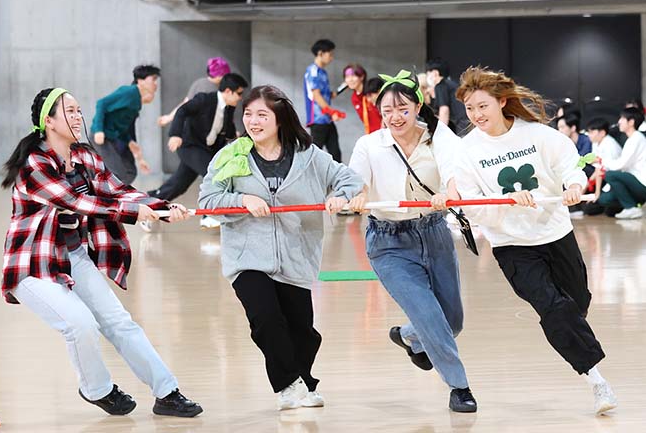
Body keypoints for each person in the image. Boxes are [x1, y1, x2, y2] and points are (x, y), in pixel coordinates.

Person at [1, 88, 203, 417]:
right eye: (69, 111)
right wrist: (133, 214)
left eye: (79, 110)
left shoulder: (85, 156)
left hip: (73, 255)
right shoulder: (33, 163)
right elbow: (75, 201)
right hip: (32, 263)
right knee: (80, 324)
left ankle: (167, 393)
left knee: (119, 323)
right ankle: (98, 390)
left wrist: (161, 208)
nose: (78, 117)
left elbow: (117, 190)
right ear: (49, 121)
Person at [454, 66, 617, 415]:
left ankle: (572, 332)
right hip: (512, 245)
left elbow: (569, 165)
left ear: (501, 101)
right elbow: (472, 204)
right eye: (469, 108)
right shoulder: (466, 151)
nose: (476, 115)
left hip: (555, 233)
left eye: (482, 106)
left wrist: (575, 185)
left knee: (576, 304)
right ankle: (597, 380)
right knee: (552, 307)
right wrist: (504, 202)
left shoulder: (538, 134)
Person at [199, 85, 363, 410]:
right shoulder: (232, 155)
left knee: (303, 332)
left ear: (280, 117)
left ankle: (304, 382)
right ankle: (288, 386)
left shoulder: (308, 155)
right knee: (265, 319)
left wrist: (339, 196)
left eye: (262, 114)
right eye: (248, 114)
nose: (253, 121)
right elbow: (207, 200)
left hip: (296, 257)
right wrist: (241, 199)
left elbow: (350, 179)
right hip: (247, 258)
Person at [348, 70, 477, 413]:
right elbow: (357, 181)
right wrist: (357, 195)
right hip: (388, 242)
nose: (395, 117)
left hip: (434, 233)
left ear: (418, 107)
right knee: (431, 317)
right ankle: (459, 387)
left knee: (453, 321)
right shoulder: (369, 145)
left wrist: (451, 194)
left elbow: (454, 171)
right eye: (387, 110)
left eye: (402, 109)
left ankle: (408, 336)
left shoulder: (439, 136)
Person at [147, 73, 248, 229]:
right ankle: (209, 215)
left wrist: (236, 139)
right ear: (228, 91)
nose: (241, 98)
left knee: (179, 184)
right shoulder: (204, 99)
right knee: (213, 173)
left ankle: (150, 203)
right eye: (239, 93)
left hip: (204, 149)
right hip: (189, 146)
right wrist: (175, 135)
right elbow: (182, 111)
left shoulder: (229, 108)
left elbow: (227, 129)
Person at [91, 64, 160, 184]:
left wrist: (130, 143)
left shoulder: (136, 104)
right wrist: (98, 130)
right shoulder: (129, 92)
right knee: (119, 174)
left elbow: (123, 128)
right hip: (102, 137)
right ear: (141, 81)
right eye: (153, 79)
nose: (156, 84)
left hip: (113, 138)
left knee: (130, 172)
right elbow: (101, 103)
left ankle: (110, 192)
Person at [596, 107, 646, 219]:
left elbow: (620, 165)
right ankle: (631, 205)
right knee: (604, 199)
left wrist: (601, 161)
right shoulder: (632, 139)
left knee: (610, 175)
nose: (619, 122)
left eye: (622, 119)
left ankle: (631, 208)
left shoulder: (636, 139)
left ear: (631, 122)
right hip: (633, 182)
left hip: (642, 184)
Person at [303, 39, 345, 162]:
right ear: (320, 53)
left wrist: (344, 87)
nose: (331, 58)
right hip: (318, 121)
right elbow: (316, 96)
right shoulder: (313, 71)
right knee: (314, 157)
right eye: (330, 54)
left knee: (335, 154)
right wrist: (332, 112)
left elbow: (328, 95)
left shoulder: (322, 72)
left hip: (327, 120)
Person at [158, 57, 231, 127]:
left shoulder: (198, 83)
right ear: (219, 76)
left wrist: (169, 117)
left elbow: (185, 103)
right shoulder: (217, 90)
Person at [581, 118, 623, 216]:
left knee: (594, 207)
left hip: (613, 179)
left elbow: (601, 169)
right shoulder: (596, 143)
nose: (589, 135)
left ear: (602, 133)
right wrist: (585, 187)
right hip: (603, 177)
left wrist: (597, 193)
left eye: (592, 132)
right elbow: (597, 168)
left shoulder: (609, 144)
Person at [425, 58, 469, 134]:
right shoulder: (451, 84)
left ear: (435, 73)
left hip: (462, 126)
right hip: (467, 123)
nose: (427, 76)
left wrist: (440, 132)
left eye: (428, 73)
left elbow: (444, 110)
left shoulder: (440, 86)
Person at [342, 63, 382, 134]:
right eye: (347, 77)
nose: (350, 80)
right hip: (372, 134)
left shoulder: (373, 90)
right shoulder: (354, 98)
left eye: (353, 76)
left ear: (362, 77)